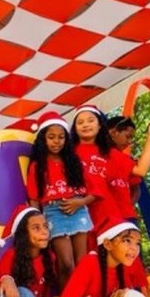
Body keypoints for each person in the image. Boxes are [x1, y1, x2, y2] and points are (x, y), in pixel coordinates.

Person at [25, 111, 97, 286]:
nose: (56, 141)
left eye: (61, 137)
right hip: (52, 212)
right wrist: (38, 220)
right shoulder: (37, 166)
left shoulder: (74, 162)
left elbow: (94, 192)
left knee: (81, 261)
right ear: (43, 139)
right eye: (51, 137)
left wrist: (80, 202)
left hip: (78, 208)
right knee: (65, 263)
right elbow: (33, 197)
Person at [106, 116, 150, 221]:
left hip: (123, 216)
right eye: (128, 136)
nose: (129, 142)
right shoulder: (104, 153)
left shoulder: (123, 158)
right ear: (113, 132)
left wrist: (127, 205)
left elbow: (136, 187)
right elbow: (141, 170)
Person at [70, 104, 120, 227]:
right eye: (80, 122)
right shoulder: (68, 153)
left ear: (99, 125)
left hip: (107, 211)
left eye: (91, 120)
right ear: (75, 129)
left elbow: (139, 171)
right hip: (77, 211)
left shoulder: (110, 153)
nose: (85, 125)